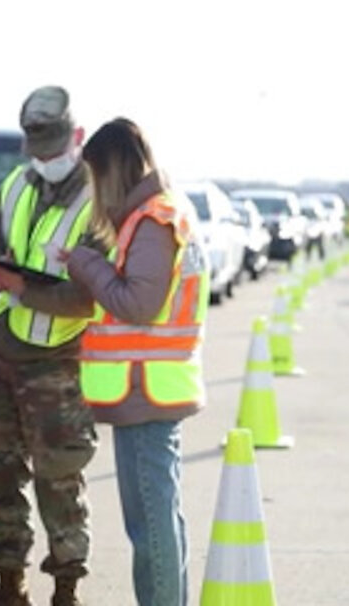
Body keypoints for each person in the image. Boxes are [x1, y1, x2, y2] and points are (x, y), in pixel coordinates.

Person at [65, 118, 210, 606]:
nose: (94, 192)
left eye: (95, 178)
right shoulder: (159, 214)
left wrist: (86, 265)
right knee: (160, 521)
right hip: (149, 389)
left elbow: (138, 304)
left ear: (114, 170)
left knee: (151, 528)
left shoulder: (154, 220)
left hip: (145, 392)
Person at [0, 85, 100, 606]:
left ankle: (66, 590)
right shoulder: (16, 185)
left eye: (53, 151)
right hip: (2, 352)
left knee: (58, 476)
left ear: (77, 138)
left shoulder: (97, 201)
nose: (45, 162)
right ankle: (9, 584)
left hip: (57, 360)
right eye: (37, 153)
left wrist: (22, 287)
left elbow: (86, 298)